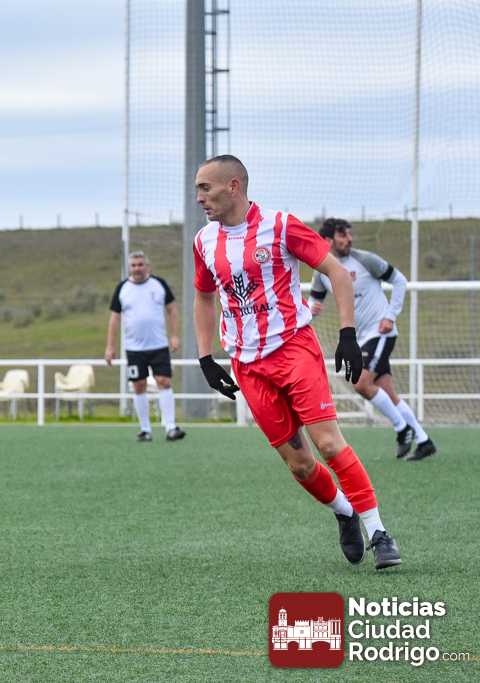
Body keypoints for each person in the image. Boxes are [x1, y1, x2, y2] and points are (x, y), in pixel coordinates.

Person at [192, 154, 401, 570]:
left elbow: (337, 273)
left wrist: (347, 335)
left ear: (233, 186)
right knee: (301, 465)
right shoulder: (204, 241)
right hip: (247, 365)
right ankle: (344, 511)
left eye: (205, 187)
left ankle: (379, 533)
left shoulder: (281, 225)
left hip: (293, 349)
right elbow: (203, 296)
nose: (199, 197)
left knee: (328, 443)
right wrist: (205, 357)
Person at [310, 218, 436, 461]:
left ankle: (402, 429)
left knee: (361, 383)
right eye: (342, 235)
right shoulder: (322, 270)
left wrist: (390, 315)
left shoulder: (365, 259)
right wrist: (308, 311)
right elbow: (315, 301)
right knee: (387, 392)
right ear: (327, 240)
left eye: (349, 234)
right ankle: (424, 441)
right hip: (360, 338)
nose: (349, 239)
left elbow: (399, 280)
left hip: (380, 332)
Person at [104, 251, 186, 442]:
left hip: (158, 345)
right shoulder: (122, 288)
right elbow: (114, 318)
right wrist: (110, 346)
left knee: (164, 381)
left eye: (140, 264)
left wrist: (174, 335)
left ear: (147, 266)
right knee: (138, 385)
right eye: (133, 265)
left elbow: (172, 310)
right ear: (129, 268)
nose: (137, 268)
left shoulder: (159, 284)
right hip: (134, 348)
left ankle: (171, 427)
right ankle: (145, 429)